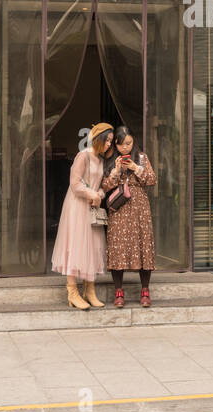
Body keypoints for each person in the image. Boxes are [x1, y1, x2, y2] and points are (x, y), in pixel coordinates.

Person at [51, 122, 112, 310]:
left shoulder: (100, 160)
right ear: (98, 138)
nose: (109, 144)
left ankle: (89, 290)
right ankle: (72, 292)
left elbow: (100, 186)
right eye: (107, 140)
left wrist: (99, 194)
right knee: (76, 245)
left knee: (92, 246)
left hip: (92, 208)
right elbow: (74, 183)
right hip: (78, 206)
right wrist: (91, 194)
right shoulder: (83, 156)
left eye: (111, 141)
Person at [99, 125, 157, 308]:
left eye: (129, 143)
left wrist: (135, 168)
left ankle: (145, 290)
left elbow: (152, 179)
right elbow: (104, 186)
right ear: (115, 144)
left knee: (143, 245)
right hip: (119, 207)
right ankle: (119, 291)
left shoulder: (141, 157)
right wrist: (116, 172)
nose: (126, 148)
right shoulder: (109, 160)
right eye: (122, 144)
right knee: (118, 246)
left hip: (140, 205)